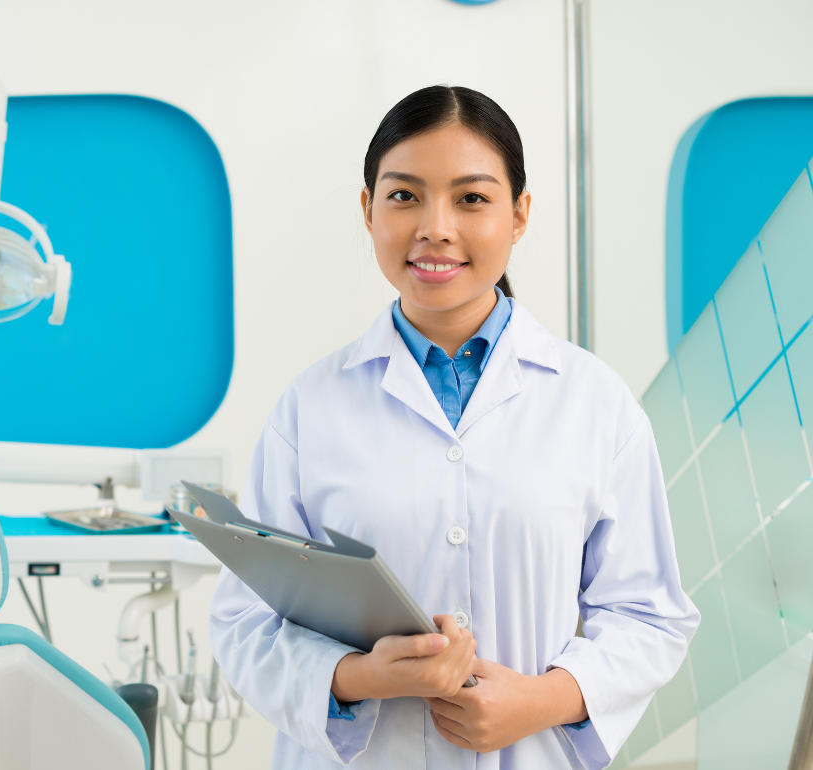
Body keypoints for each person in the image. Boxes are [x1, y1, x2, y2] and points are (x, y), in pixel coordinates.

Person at [209, 85, 699, 769]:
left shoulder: (595, 403)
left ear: (520, 214)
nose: (435, 227)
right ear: (368, 210)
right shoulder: (309, 407)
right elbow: (245, 622)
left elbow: (650, 617)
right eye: (405, 196)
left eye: (471, 198)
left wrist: (543, 700)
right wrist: (359, 679)